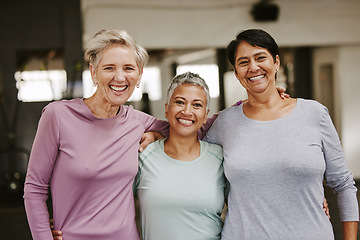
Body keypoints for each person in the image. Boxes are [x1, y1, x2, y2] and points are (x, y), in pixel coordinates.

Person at [204, 29, 359, 239]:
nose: (253, 67)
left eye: (260, 58)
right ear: (237, 73)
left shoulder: (314, 114)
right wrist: (156, 134)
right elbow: (186, 148)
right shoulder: (226, 122)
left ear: (276, 62)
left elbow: (343, 184)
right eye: (243, 62)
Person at [23, 29, 169, 240]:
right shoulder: (57, 116)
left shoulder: (138, 121)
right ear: (93, 72)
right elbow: (34, 189)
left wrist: (156, 135)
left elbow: (191, 128)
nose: (119, 77)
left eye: (129, 68)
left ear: (139, 75)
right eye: (109, 68)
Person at [134, 72, 227, 240]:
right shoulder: (144, 156)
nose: (187, 111)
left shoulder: (220, 158)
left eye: (197, 105)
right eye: (179, 102)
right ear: (166, 109)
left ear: (206, 115)